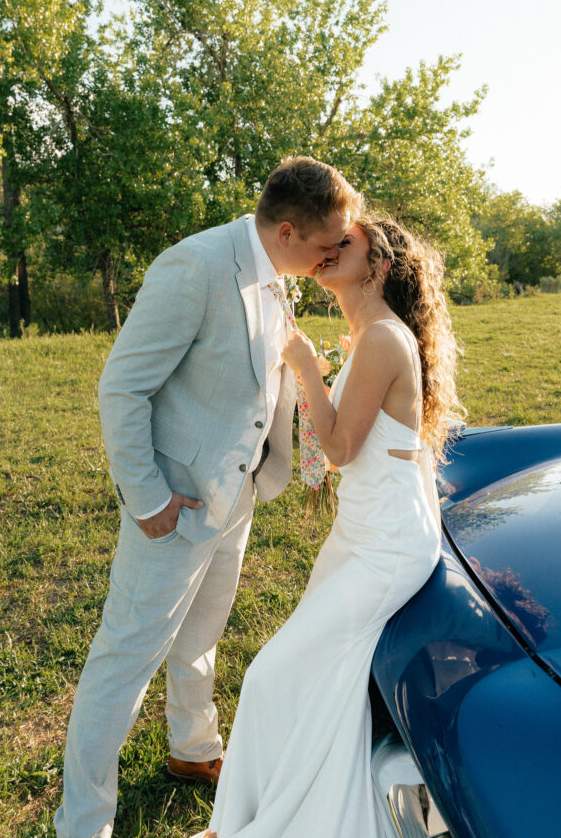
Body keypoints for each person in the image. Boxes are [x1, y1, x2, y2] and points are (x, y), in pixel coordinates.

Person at [54, 157, 361, 838]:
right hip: (175, 505)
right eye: (326, 245)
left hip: (236, 493)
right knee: (124, 659)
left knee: (201, 636)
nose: (334, 255)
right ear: (285, 231)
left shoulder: (275, 271)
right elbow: (122, 388)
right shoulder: (194, 267)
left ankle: (192, 749)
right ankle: (83, 822)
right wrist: (148, 498)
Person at [195, 214, 463, 838]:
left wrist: (306, 369)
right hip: (363, 534)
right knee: (323, 677)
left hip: (385, 546)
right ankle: (260, 813)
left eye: (347, 244)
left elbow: (340, 449)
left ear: (380, 266)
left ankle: (247, 822)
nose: (328, 249)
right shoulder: (368, 333)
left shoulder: (381, 339)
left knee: (269, 673)